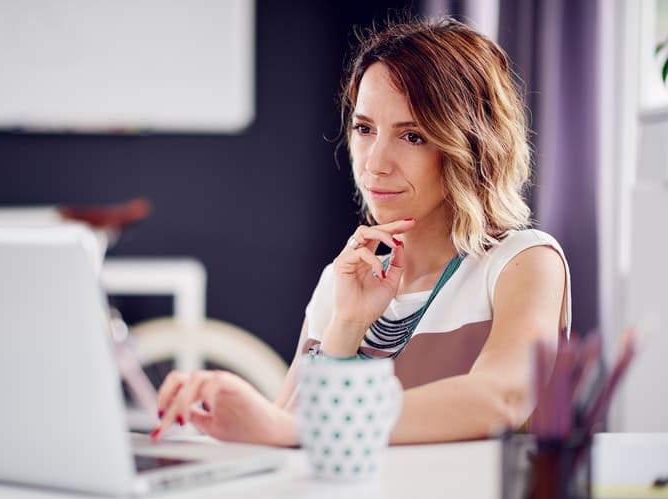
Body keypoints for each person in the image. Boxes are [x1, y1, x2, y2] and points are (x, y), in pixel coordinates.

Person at [150, 15, 571, 446]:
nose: (374, 163)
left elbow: (501, 398)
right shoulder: (342, 281)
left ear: (471, 145)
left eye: (412, 136)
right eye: (365, 129)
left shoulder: (524, 261)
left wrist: (302, 426)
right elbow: (290, 438)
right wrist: (347, 323)